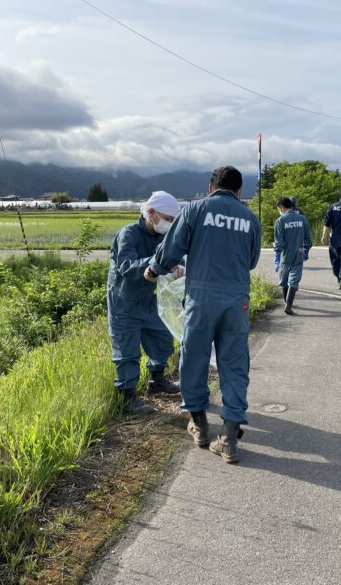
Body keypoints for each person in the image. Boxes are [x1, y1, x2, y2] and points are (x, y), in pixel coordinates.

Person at [144, 166, 261, 464]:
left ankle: (199, 426)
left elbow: (172, 248)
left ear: (210, 187)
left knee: (194, 359)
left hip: (200, 298)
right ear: (239, 191)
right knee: (234, 364)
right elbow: (251, 260)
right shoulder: (250, 218)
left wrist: (154, 270)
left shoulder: (195, 210)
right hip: (236, 301)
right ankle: (229, 441)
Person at [107, 191, 183, 415]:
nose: (169, 224)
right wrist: (159, 263)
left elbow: (174, 258)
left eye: (172, 221)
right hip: (125, 302)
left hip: (151, 300)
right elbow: (127, 266)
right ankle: (127, 397)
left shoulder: (162, 237)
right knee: (127, 350)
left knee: (162, 340)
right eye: (167, 219)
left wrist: (179, 266)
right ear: (150, 213)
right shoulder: (129, 234)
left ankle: (157, 381)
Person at [274, 197, 313, 315]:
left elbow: (279, 242)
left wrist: (277, 257)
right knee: (294, 279)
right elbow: (309, 240)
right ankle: (288, 305)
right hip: (299, 252)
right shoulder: (302, 219)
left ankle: (286, 302)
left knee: (284, 279)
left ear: (281, 207)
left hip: (286, 254)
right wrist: (305, 251)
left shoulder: (280, 221)